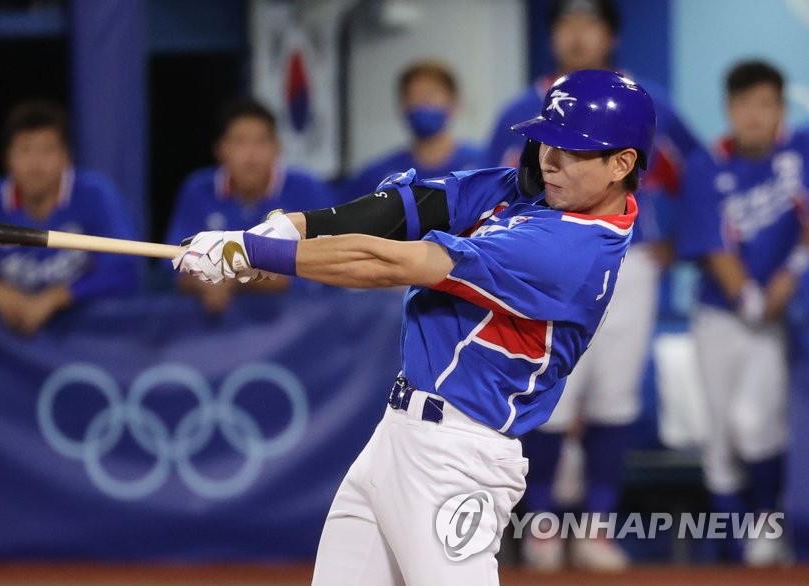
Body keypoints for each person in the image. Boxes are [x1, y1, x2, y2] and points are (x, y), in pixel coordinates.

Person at [174, 70, 655, 585]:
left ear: (621, 164)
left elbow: (389, 264)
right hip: (396, 437)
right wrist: (291, 228)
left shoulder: (570, 252)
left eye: (571, 149)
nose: (548, 160)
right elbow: (414, 207)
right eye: (545, 142)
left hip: (456, 461)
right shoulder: (535, 190)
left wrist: (254, 252)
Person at [484, 0, 705, 570]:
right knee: (546, 392)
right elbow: (490, 190)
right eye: (566, 24)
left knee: (615, 393)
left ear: (609, 35)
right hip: (547, 263)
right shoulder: (523, 106)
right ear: (553, 34)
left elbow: (699, 172)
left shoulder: (646, 101)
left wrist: (678, 244)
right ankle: (541, 527)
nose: (578, 36)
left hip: (627, 260)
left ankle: (599, 528)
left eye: (590, 25)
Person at [675, 60, 809, 566]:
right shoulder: (708, 164)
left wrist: (790, 272)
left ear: (780, 108)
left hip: (779, 319)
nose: (756, 116)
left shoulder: (801, 150)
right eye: (745, 105)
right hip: (720, 315)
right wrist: (750, 296)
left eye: (766, 105)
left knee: (754, 424)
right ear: (729, 108)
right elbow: (714, 247)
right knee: (719, 441)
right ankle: (732, 555)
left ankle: (765, 524)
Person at [0, 99, 141, 336]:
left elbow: (126, 268)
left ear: (67, 157)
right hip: (9, 345)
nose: (36, 164)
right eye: (25, 150)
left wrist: (57, 298)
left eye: (47, 150)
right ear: (7, 159)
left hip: (90, 341)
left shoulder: (95, 194)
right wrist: (0, 294)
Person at [166, 96, 333, 313]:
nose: (251, 154)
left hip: (301, 323)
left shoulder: (307, 188)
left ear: (277, 148)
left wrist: (235, 278)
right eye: (240, 142)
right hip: (214, 331)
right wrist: (201, 283)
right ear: (221, 149)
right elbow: (175, 263)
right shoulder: (197, 190)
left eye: (261, 141)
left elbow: (324, 265)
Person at [342, 59, 483, 198]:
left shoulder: (483, 167)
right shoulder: (378, 177)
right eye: (413, 96)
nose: (420, 104)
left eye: (430, 95)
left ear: (454, 104)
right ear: (402, 105)